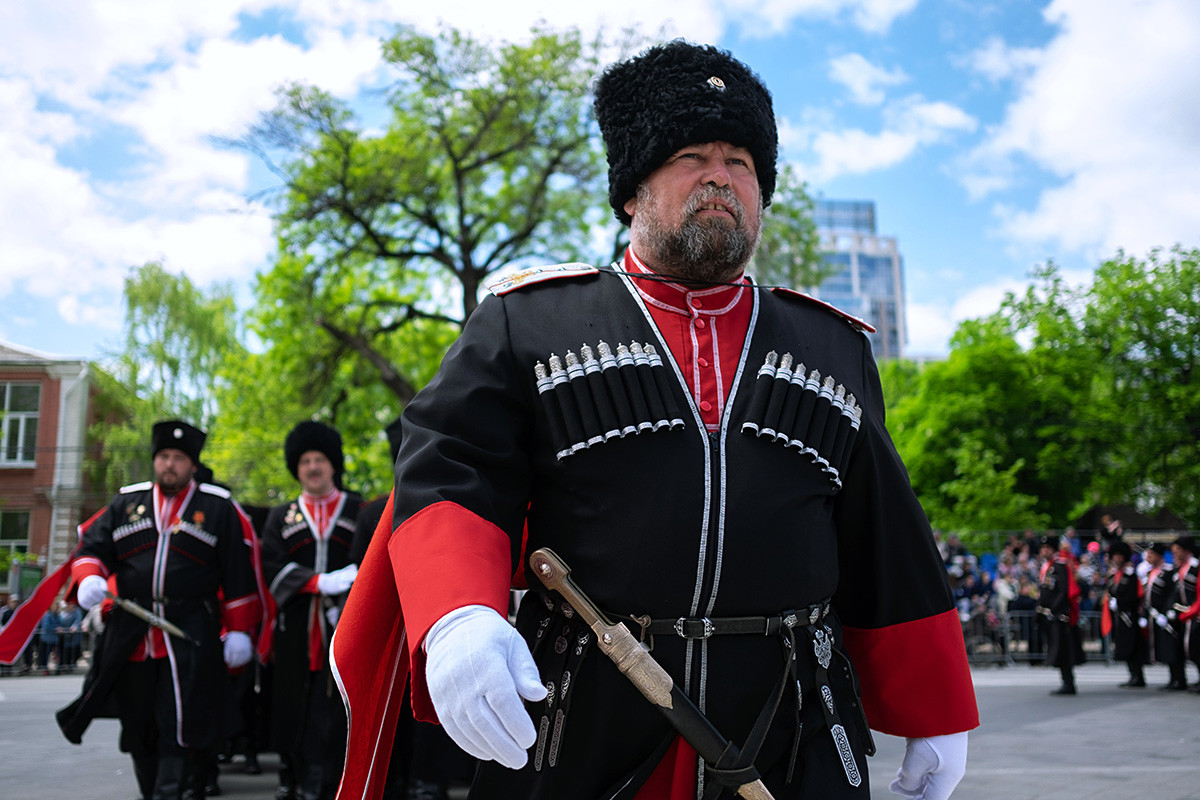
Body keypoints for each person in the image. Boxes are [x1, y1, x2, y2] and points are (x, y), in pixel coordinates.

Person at [333, 40, 977, 800]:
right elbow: (450, 471)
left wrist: (936, 707)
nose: (720, 176)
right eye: (692, 155)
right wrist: (457, 615)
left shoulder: (832, 345)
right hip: (586, 711)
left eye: (741, 162)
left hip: (792, 719)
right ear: (633, 191)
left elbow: (884, 534)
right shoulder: (527, 323)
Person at [57, 420, 259, 800]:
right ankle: (152, 792)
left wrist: (239, 630)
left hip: (189, 637)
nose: (170, 464)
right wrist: (88, 578)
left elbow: (237, 573)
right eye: (164, 456)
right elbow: (91, 551)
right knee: (138, 729)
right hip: (132, 637)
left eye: (179, 458)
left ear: (192, 465)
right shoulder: (125, 504)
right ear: (155, 460)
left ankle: (169, 793)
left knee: (179, 727)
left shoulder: (216, 508)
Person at [261, 421, 363, 800]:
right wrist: (317, 583)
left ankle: (339, 778)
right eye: (305, 460)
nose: (313, 467)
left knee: (339, 704)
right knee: (293, 701)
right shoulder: (281, 516)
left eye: (320, 459)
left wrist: (348, 594)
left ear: (333, 464)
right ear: (296, 467)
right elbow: (270, 565)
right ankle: (293, 775)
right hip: (297, 627)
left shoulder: (358, 509)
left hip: (348, 623)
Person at [1037, 535, 1084, 694]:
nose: (1044, 551)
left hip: (1060, 615)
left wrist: (1053, 609)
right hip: (1051, 614)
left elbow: (1064, 591)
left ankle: (1069, 683)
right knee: (1058, 648)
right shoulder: (1047, 567)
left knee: (1064, 650)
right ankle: (1065, 681)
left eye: (1047, 548)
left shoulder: (1060, 566)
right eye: (1043, 548)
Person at [1142, 543, 1186, 691]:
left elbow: (1171, 594)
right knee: (1165, 648)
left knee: (1173, 648)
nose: (1149, 557)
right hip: (1155, 616)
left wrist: (1168, 611)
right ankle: (1172, 678)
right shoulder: (1150, 573)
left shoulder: (1168, 571)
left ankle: (1179, 679)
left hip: (1167, 615)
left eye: (1151, 554)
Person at [1105, 540, 1147, 687]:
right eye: (1115, 555)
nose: (1117, 558)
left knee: (1134, 646)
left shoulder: (1130, 575)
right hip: (1119, 616)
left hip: (1130, 615)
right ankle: (1132, 675)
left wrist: (1120, 602)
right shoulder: (1113, 575)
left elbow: (1135, 595)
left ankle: (1138, 676)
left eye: (1119, 555)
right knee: (1125, 646)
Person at [1172, 536, 1200, 691]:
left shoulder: (1196, 567)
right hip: (1185, 613)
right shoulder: (1180, 568)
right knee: (1189, 648)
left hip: (1195, 612)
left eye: (1177, 550)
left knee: (1196, 648)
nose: (1175, 553)